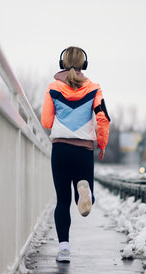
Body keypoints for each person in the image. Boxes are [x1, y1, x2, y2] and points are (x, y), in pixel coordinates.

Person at [41, 46, 111, 262]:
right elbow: (103, 118)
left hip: (61, 149)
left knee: (62, 200)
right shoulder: (94, 89)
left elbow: (46, 121)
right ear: (84, 65)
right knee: (87, 194)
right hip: (84, 150)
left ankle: (63, 249)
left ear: (62, 63)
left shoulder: (53, 88)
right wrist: (102, 144)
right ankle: (83, 186)